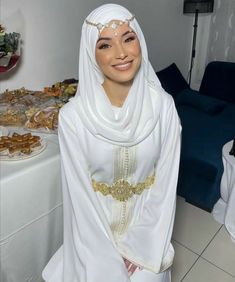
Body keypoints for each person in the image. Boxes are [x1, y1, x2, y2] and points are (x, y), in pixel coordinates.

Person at [42, 3, 181, 282]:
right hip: (93, 234)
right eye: (105, 45)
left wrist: (139, 247)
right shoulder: (72, 118)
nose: (121, 53)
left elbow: (166, 184)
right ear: (91, 53)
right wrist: (105, 257)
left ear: (139, 40)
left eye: (128, 39)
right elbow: (79, 197)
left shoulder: (164, 107)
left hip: (149, 231)